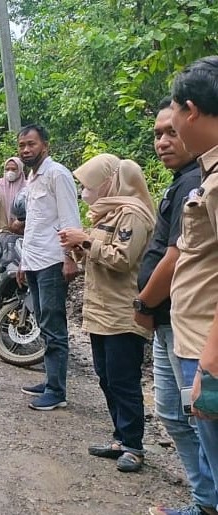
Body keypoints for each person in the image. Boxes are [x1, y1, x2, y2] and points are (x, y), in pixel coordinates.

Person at [140, 99, 215, 514]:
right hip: (173, 321)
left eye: (172, 131)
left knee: (199, 417)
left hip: (189, 326)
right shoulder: (185, 181)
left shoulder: (199, 183)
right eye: (157, 134)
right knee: (175, 413)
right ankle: (204, 499)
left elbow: (175, 257)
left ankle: (207, 500)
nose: (164, 141)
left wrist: (143, 301)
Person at [59, 154, 155, 472]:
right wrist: (79, 248)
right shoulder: (106, 215)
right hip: (100, 313)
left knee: (123, 380)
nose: (85, 190)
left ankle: (134, 447)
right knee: (106, 378)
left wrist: (85, 240)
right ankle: (120, 437)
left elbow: (122, 259)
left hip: (123, 313)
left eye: (90, 184)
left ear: (110, 181)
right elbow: (96, 260)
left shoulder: (133, 215)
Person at [168, 56, 218, 513]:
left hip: (207, 346)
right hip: (196, 341)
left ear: (191, 110)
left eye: (175, 117)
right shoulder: (208, 172)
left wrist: (208, 365)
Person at [16, 124, 81, 411]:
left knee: (54, 326)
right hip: (34, 260)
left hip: (54, 261)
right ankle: (51, 379)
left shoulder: (58, 174)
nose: (26, 150)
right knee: (44, 322)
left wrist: (70, 257)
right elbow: (34, 225)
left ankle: (57, 391)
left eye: (31, 144)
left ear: (45, 145)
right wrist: (23, 261)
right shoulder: (31, 178)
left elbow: (70, 219)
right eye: (22, 146)